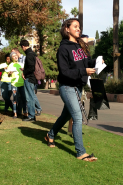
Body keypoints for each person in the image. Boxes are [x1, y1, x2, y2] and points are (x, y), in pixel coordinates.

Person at [45, 18, 98, 161]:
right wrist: (83, 72)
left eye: (79, 27)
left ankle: (50, 135)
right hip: (67, 87)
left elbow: (86, 62)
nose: (78, 29)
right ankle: (81, 152)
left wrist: (97, 61)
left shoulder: (80, 46)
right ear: (67, 29)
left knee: (65, 116)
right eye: (75, 26)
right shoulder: (63, 48)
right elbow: (64, 72)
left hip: (78, 87)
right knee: (77, 117)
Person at [67, 34, 91, 136]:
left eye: (87, 43)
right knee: (75, 109)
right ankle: (73, 129)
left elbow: (89, 64)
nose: (85, 44)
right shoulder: (74, 52)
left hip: (82, 82)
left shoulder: (85, 53)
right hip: (73, 84)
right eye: (84, 42)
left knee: (77, 107)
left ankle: (70, 129)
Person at [20, 40, 42, 121]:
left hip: (29, 78)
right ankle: (32, 115)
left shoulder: (29, 55)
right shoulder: (32, 54)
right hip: (32, 78)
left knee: (29, 97)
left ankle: (31, 116)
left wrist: (24, 72)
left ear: (23, 46)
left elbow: (31, 67)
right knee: (31, 96)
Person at [9, 51, 26, 118]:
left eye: (16, 55)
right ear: (11, 58)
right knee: (15, 99)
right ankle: (15, 113)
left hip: (22, 84)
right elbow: (9, 75)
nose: (15, 57)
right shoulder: (10, 65)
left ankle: (25, 113)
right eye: (13, 56)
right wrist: (10, 73)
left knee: (24, 99)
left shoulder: (21, 64)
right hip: (14, 85)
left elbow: (24, 72)